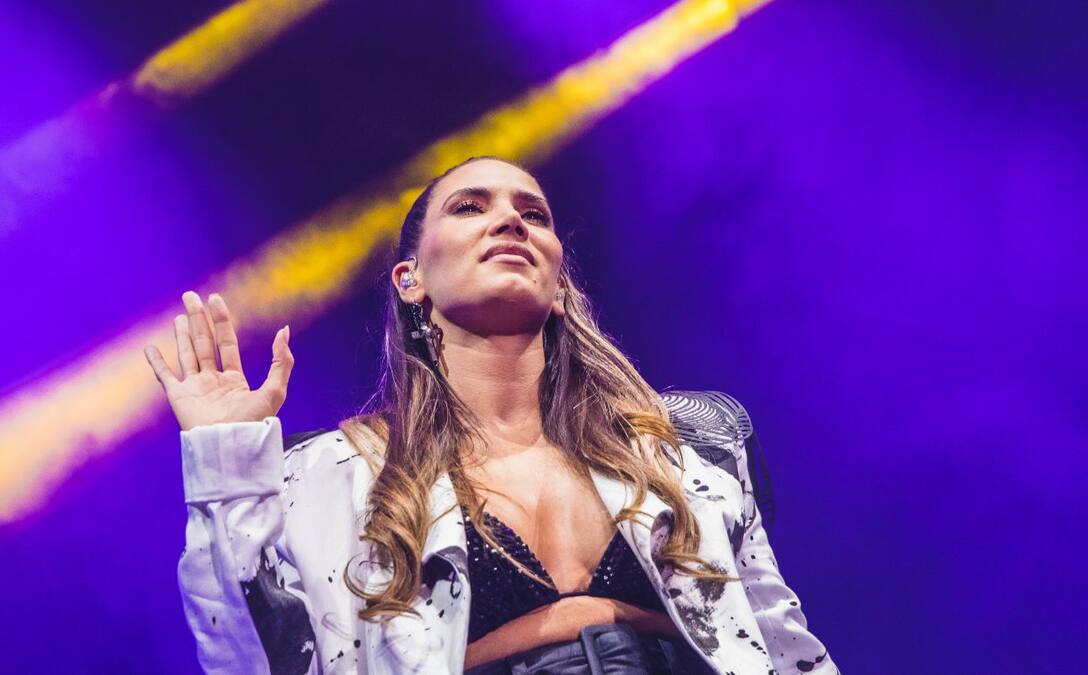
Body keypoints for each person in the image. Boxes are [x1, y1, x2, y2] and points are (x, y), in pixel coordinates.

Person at [144, 156, 839, 674]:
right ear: (410, 279)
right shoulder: (331, 477)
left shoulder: (687, 445)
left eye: (534, 214)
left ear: (560, 285)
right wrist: (225, 461)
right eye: (470, 207)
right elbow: (254, 659)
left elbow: (785, 647)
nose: (510, 220)